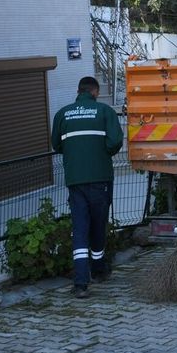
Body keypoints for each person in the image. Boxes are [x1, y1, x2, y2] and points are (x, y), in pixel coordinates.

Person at [51, 77, 123, 298]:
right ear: (96, 91)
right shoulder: (104, 112)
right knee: (98, 224)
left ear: (78, 91)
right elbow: (115, 142)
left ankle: (81, 283)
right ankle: (99, 269)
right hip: (100, 178)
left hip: (75, 180)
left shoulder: (63, 114)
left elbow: (57, 145)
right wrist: (100, 154)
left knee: (80, 228)